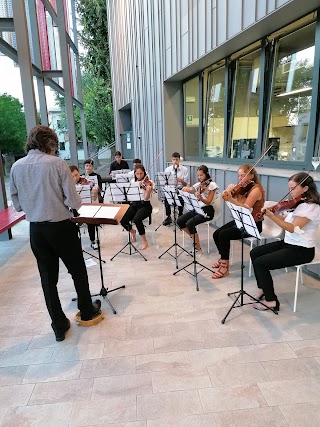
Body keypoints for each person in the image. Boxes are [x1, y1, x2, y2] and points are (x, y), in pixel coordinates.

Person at [10, 125, 102, 342]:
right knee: (78, 271)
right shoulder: (58, 164)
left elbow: (17, 205)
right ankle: (87, 310)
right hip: (61, 226)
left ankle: (58, 325)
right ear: (50, 144)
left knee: (47, 279)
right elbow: (73, 200)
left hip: (36, 231)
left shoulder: (16, 166)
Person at [250, 172, 320, 312]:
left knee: (261, 263)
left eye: (293, 188)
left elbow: (293, 228)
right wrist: (270, 214)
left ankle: (271, 301)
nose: (290, 192)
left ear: (305, 188)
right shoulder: (300, 203)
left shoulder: (312, 207)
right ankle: (263, 288)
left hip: (302, 250)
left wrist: (272, 217)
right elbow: (285, 219)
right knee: (255, 252)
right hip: (289, 244)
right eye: (289, 188)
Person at [212, 164, 265, 279]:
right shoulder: (242, 187)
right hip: (241, 220)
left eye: (243, 175)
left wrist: (231, 199)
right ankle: (223, 258)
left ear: (251, 175)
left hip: (253, 224)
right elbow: (225, 197)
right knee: (216, 233)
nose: (240, 179)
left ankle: (224, 267)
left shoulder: (256, 190)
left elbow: (245, 208)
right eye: (239, 176)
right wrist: (228, 190)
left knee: (223, 235)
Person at [177, 165, 218, 252]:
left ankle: (197, 246)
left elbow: (209, 202)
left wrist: (201, 198)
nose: (199, 177)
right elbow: (191, 188)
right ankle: (194, 238)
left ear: (206, 174)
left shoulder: (212, 185)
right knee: (180, 221)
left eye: (201, 175)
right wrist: (185, 189)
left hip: (208, 210)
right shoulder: (199, 185)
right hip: (197, 209)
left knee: (190, 223)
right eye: (198, 175)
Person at [120, 163, 153, 250]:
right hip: (135, 204)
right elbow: (129, 197)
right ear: (134, 173)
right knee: (122, 218)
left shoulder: (149, 183)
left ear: (144, 173)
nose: (139, 176)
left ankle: (144, 241)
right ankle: (132, 231)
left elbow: (146, 199)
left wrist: (148, 192)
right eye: (137, 174)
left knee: (137, 219)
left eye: (141, 174)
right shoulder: (132, 182)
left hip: (145, 205)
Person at [70, 165, 99, 250]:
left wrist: (95, 193)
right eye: (72, 176)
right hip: (74, 208)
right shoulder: (67, 184)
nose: (75, 178)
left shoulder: (88, 182)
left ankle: (93, 241)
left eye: (76, 175)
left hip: (86, 207)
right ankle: (74, 242)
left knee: (91, 220)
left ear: (79, 172)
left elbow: (94, 198)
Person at [163, 152, 188, 226]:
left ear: (179, 160)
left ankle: (180, 216)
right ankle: (168, 217)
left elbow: (186, 184)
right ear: (172, 160)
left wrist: (181, 180)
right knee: (166, 198)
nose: (175, 161)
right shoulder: (168, 169)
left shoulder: (185, 169)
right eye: (173, 160)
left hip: (180, 189)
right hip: (171, 188)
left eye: (176, 159)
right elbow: (164, 182)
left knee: (181, 199)